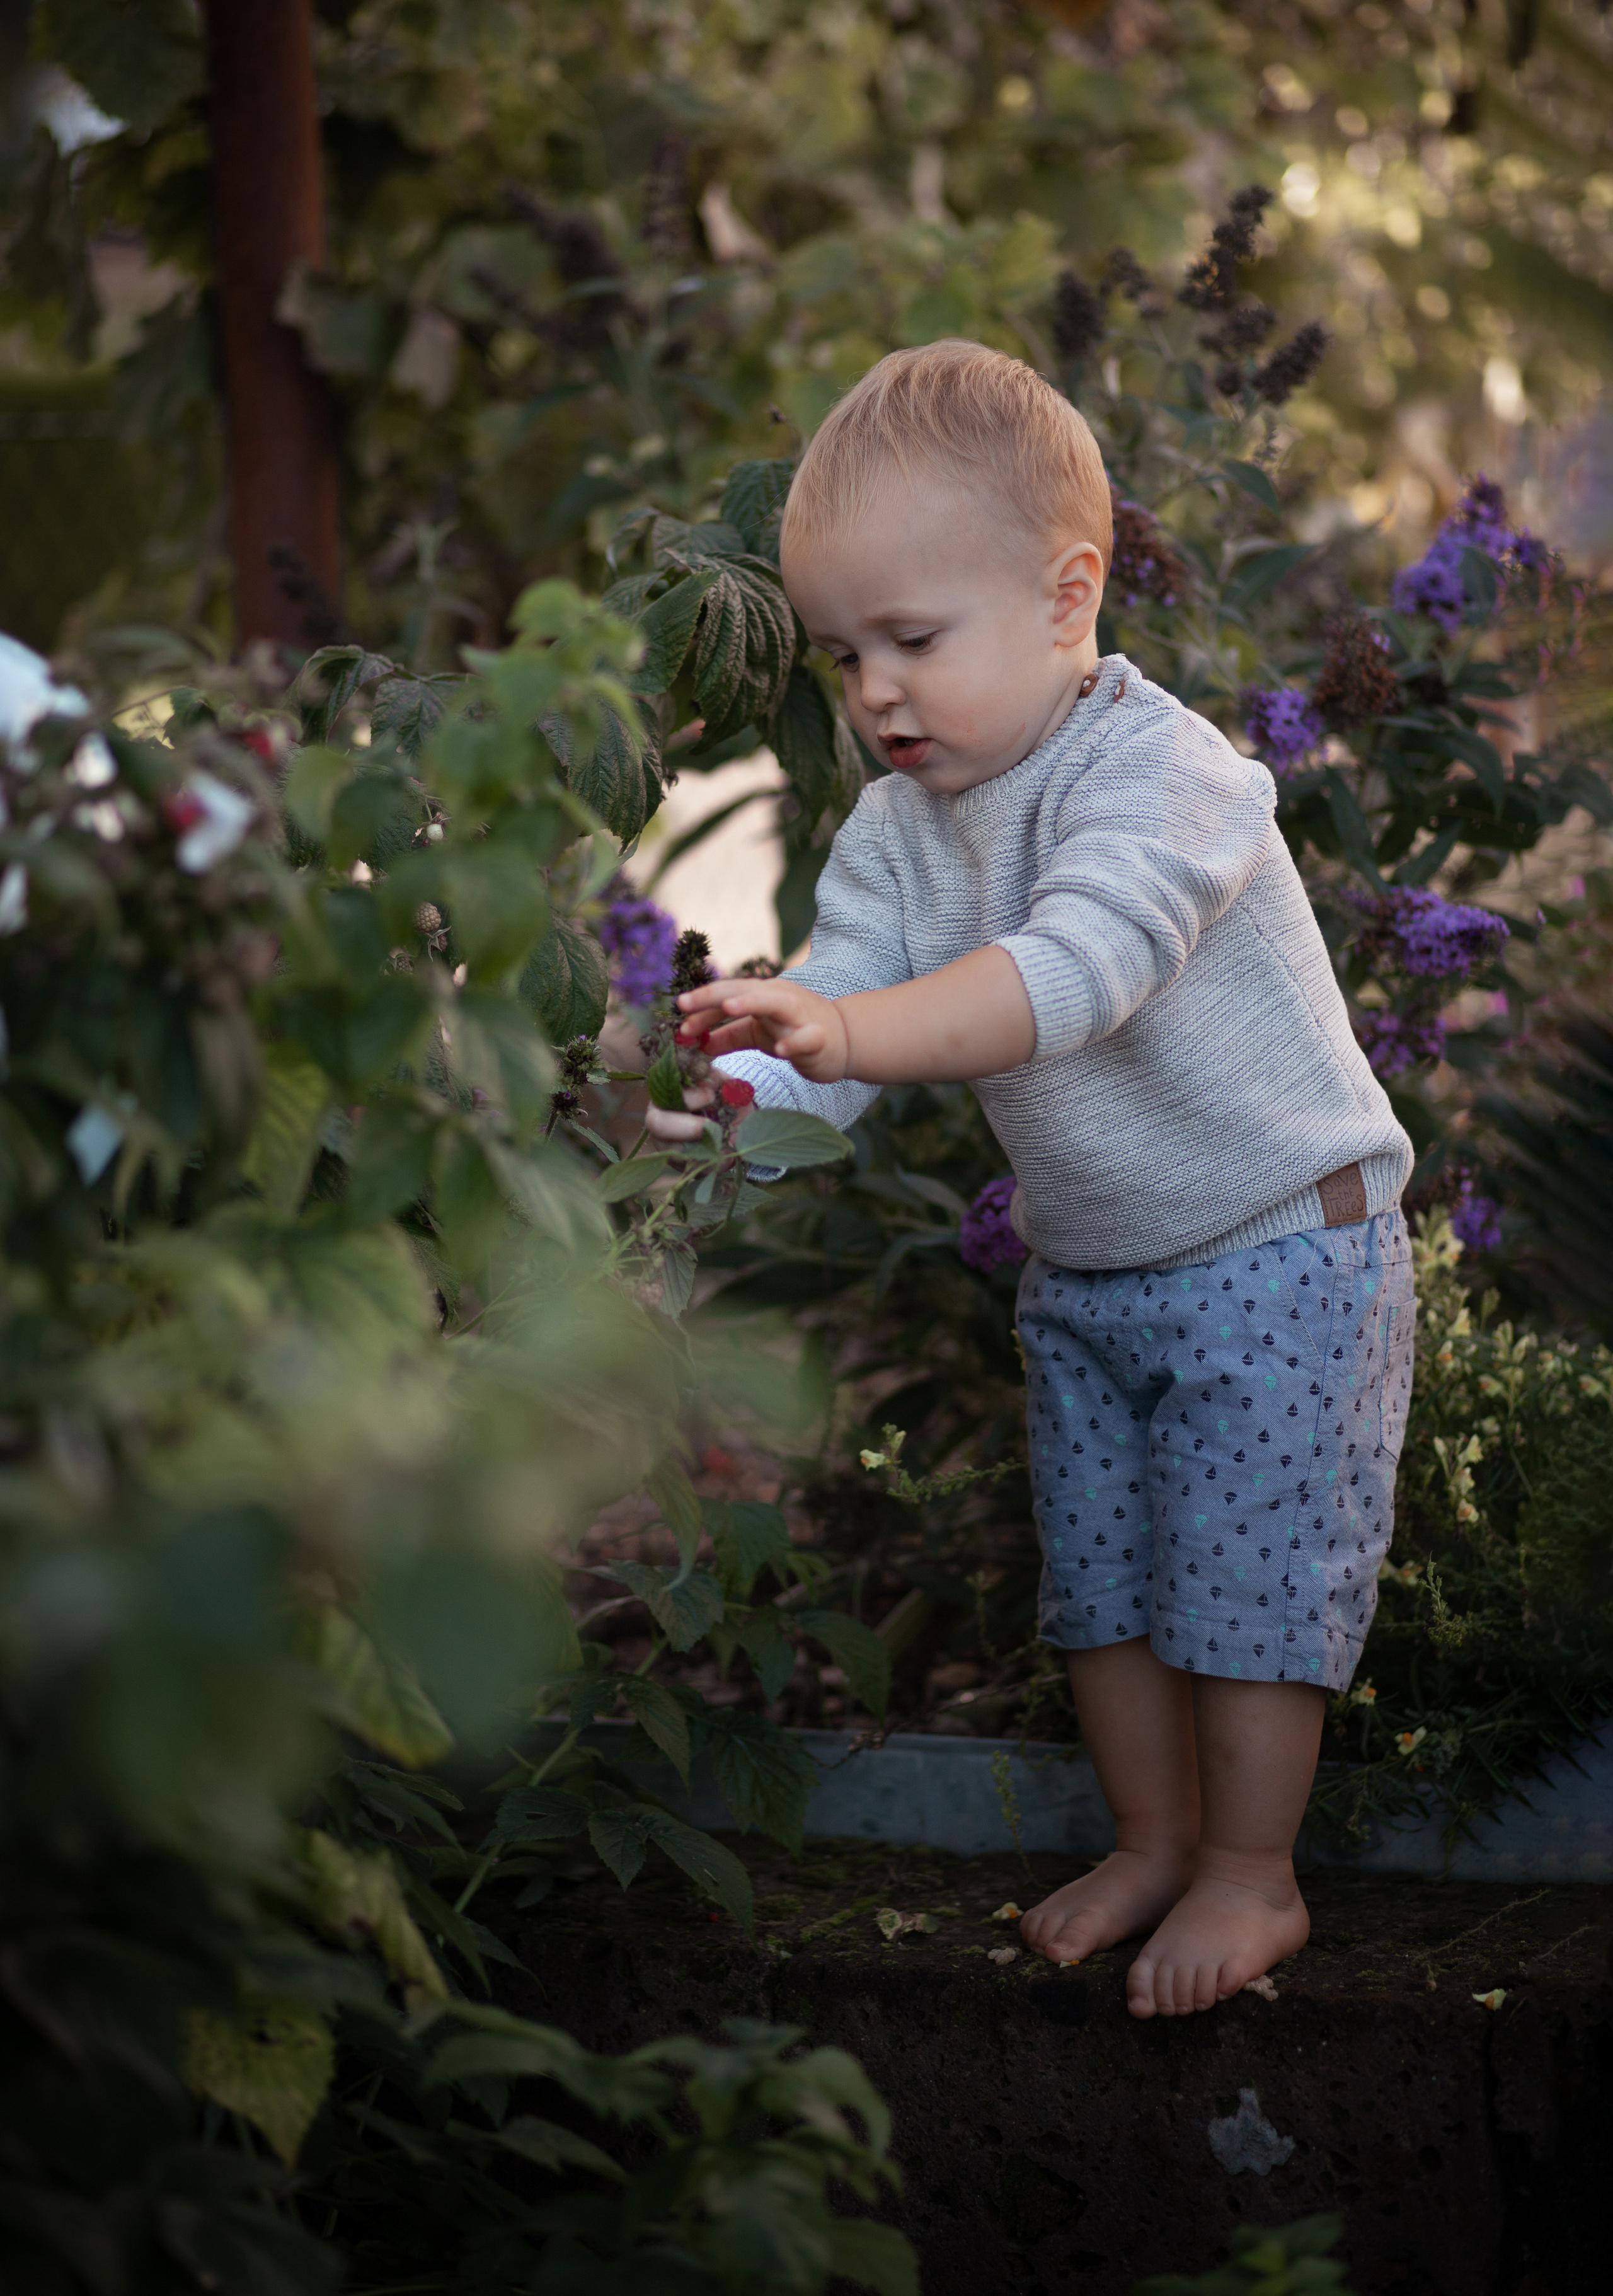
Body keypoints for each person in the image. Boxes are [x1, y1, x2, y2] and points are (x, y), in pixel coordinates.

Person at [647, 340, 1415, 2019]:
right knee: (1105, 1587)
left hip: (1283, 1248)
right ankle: (1152, 1838)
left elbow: (1069, 977)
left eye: (914, 642)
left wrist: (844, 1026)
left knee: (1244, 1586)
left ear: (1071, 598)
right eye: (848, 654)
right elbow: (839, 1020)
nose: (874, 694)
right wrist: (723, 1094)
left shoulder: (1169, 781)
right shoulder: (907, 827)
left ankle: (1248, 1872)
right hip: (1093, 1266)